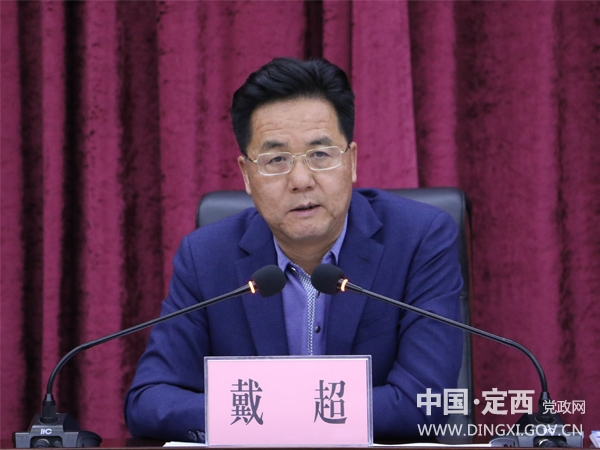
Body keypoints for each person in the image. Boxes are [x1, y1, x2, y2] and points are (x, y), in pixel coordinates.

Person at [124, 57, 463, 442]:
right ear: (247, 175)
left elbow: (425, 401)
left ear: (351, 162)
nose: (301, 180)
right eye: (276, 160)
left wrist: (260, 413)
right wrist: (291, 414)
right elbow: (149, 401)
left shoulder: (419, 240)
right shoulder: (206, 258)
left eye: (320, 154)